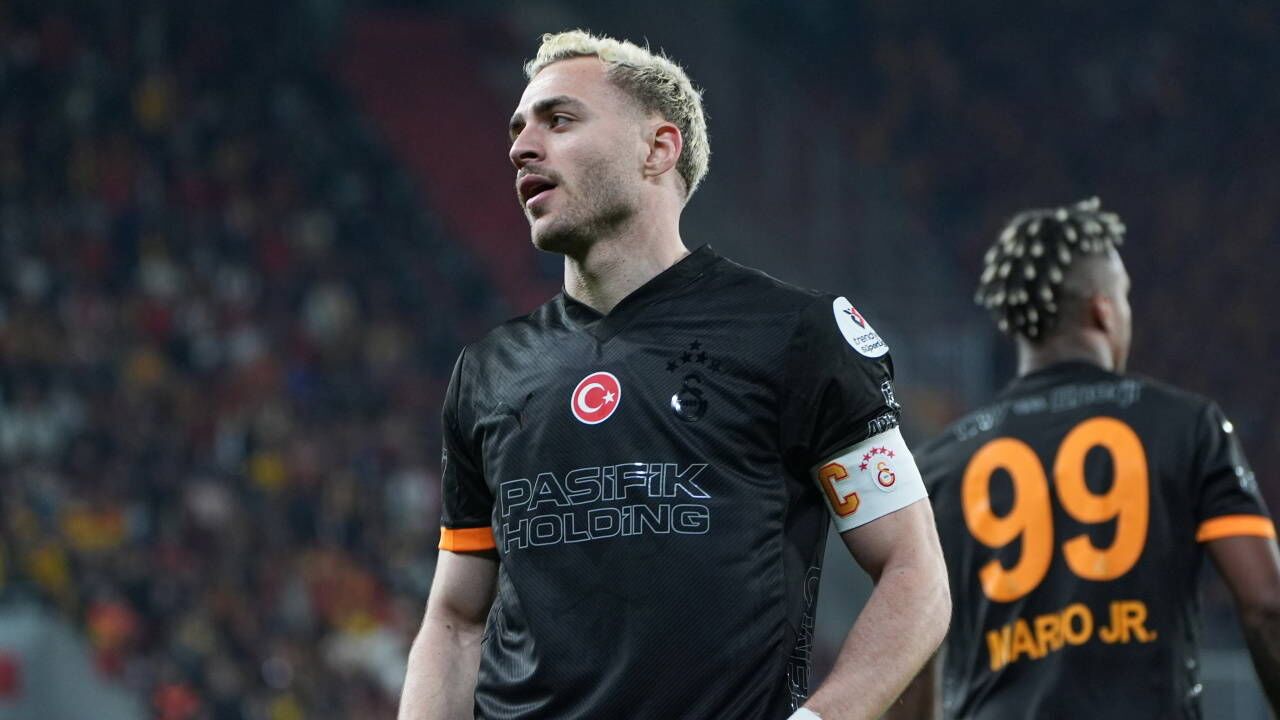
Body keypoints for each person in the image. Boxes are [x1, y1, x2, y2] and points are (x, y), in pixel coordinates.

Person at [397, 29, 949, 720]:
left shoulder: (795, 335)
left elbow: (915, 573)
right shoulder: (487, 370)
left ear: (658, 149)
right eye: (517, 128)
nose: (521, 148)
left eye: (558, 120)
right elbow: (455, 620)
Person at [889, 199, 1280, 719]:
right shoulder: (1186, 426)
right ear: (1103, 310)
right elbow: (1266, 605)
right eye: (1124, 295)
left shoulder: (938, 465)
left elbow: (911, 657)